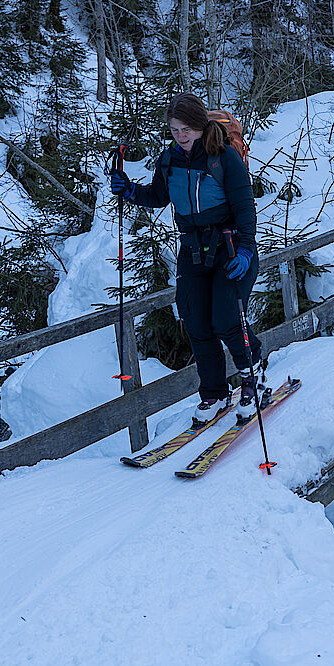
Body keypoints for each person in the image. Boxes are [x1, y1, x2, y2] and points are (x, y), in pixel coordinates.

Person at [109, 93, 264, 423]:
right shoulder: (169, 160)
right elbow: (158, 196)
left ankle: (253, 378)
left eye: (187, 129)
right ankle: (214, 393)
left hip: (231, 246)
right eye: (175, 129)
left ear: (200, 125)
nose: (181, 135)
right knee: (195, 322)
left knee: (227, 320)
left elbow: (244, 206)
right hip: (193, 248)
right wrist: (130, 191)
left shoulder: (224, 158)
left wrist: (248, 249)